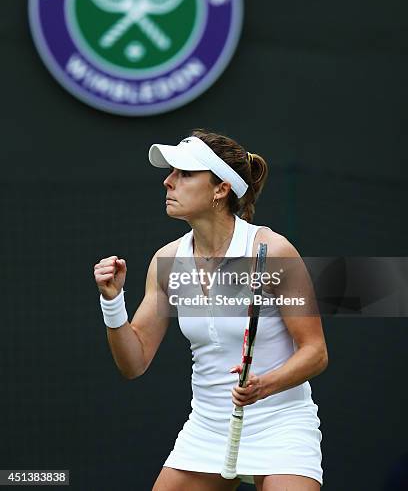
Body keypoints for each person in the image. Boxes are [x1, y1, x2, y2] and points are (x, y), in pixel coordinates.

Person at [94, 129, 328, 491]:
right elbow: (133, 362)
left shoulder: (272, 251)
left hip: (280, 425)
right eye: (171, 173)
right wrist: (112, 302)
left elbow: (315, 352)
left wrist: (264, 385)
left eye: (185, 174)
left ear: (220, 189)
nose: (168, 182)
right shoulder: (167, 261)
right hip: (208, 427)